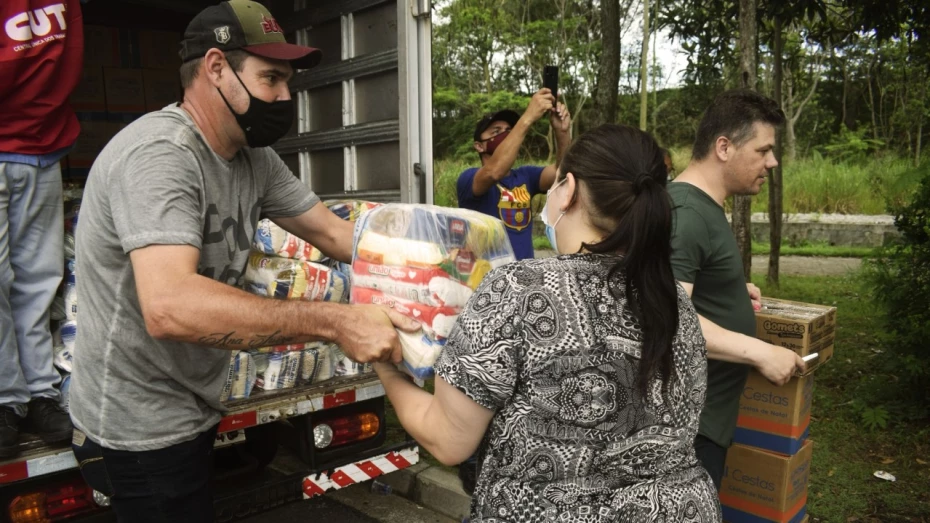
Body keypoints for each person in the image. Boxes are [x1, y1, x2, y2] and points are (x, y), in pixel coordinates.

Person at [68, 1, 416, 521]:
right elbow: (169, 307)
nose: (285, 96)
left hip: (194, 401)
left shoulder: (255, 159)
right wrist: (336, 321)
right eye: (271, 78)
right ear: (215, 68)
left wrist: (438, 273)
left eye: (288, 81)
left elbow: (334, 234)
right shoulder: (159, 156)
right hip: (138, 421)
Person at [377, 124, 722, 522]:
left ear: (568, 189)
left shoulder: (519, 289)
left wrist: (386, 367)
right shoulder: (672, 297)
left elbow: (448, 439)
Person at [668, 89, 806, 489]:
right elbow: (668, 316)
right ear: (724, 147)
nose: (772, 162)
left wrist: (726, 288)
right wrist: (762, 352)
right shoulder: (688, 214)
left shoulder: (699, 206)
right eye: (763, 150)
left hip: (703, 422)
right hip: (690, 430)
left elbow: (678, 289)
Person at [0, 0, 85, 458]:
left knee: (39, 280)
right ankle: (5, 399)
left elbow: (68, 59)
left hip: (43, 148)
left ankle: (38, 393)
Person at [456, 92, 571, 261]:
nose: (507, 135)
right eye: (497, 131)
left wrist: (562, 133)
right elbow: (495, 171)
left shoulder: (527, 176)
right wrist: (527, 118)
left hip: (523, 279)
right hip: (486, 279)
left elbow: (563, 174)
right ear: (479, 146)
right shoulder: (468, 179)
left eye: (510, 131)